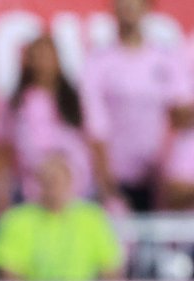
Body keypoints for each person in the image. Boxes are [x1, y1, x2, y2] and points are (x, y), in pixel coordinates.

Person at [80, 0, 193, 212]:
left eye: (135, 4)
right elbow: (96, 126)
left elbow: (181, 113)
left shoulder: (166, 59)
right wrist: (106, 181)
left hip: (158, 176)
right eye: (123, 5)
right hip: (115, 175)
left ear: (147, 8)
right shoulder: (98, 62)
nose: (129, 11)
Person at [0, 153, 123, 281]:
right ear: (38, 183)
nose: (54, 187)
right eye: (48, 181)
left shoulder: (92, 217)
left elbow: (111, 268)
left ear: (70, 181)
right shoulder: (16, 220)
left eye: (58, 180)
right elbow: (8, 271)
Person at [0, 34, 92, 203]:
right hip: (33, 191)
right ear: (28, 62)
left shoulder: (76, 99)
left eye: (48, 55)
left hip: (76, 191)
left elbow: (92, 140)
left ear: (58, 59)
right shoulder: (17, 103)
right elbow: (3, 148)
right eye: (37, 56)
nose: (43, 62)